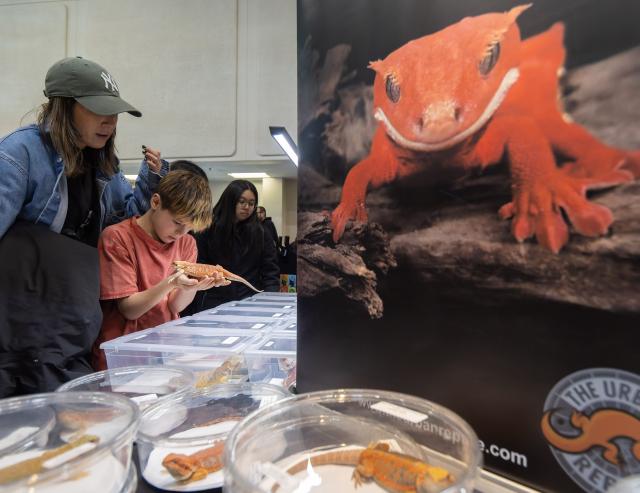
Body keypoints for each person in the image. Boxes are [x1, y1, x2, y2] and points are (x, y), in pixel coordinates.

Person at [0, 56, 166, 395]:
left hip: (75, 312)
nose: (110, 121)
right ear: (63, 107)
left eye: (115, 112)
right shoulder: (20, 153)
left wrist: (150, 183)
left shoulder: (104, 165)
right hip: (22, 316)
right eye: (98, 110)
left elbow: (123, 223)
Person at [93, 170, 227, 370]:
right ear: (155, 202)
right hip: (122, 354)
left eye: (189, 228)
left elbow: (174, 307)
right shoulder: (117, 238)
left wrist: (192, 288)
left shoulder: (186, 244)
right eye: (178, 223)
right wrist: (171, 282)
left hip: (164, 351)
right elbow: (129, 309)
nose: (181, 233)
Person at [183, 180, 280, 314]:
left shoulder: (261, 232)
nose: (247, 207)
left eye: (251, 204)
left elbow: (270, 272)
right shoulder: (207, 228)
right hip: (212, 302)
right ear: (230, 201)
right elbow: (199, 264)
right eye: (242, 202)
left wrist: (270, 301)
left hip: (250, 302)